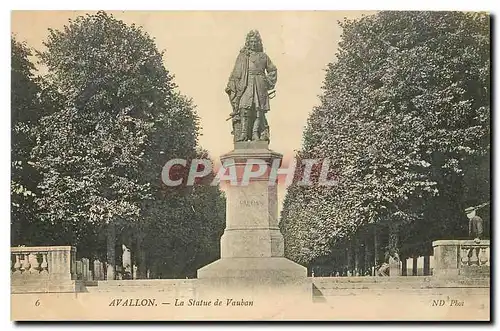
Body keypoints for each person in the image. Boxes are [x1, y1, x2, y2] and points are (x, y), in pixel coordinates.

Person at [225, 30, 277, 142]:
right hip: (246, 84)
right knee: (244, 108)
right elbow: (235, 73)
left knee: (259, 110)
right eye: (251, 41)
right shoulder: (242, 56)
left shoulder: (264, 56)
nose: (253, 44)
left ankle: (255, 133)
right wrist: (232, 84)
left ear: (259, 43)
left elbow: (272, 70)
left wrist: (267, 82)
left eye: (256, 42)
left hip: (260, 85)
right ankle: (243, 134)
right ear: (248, 42)